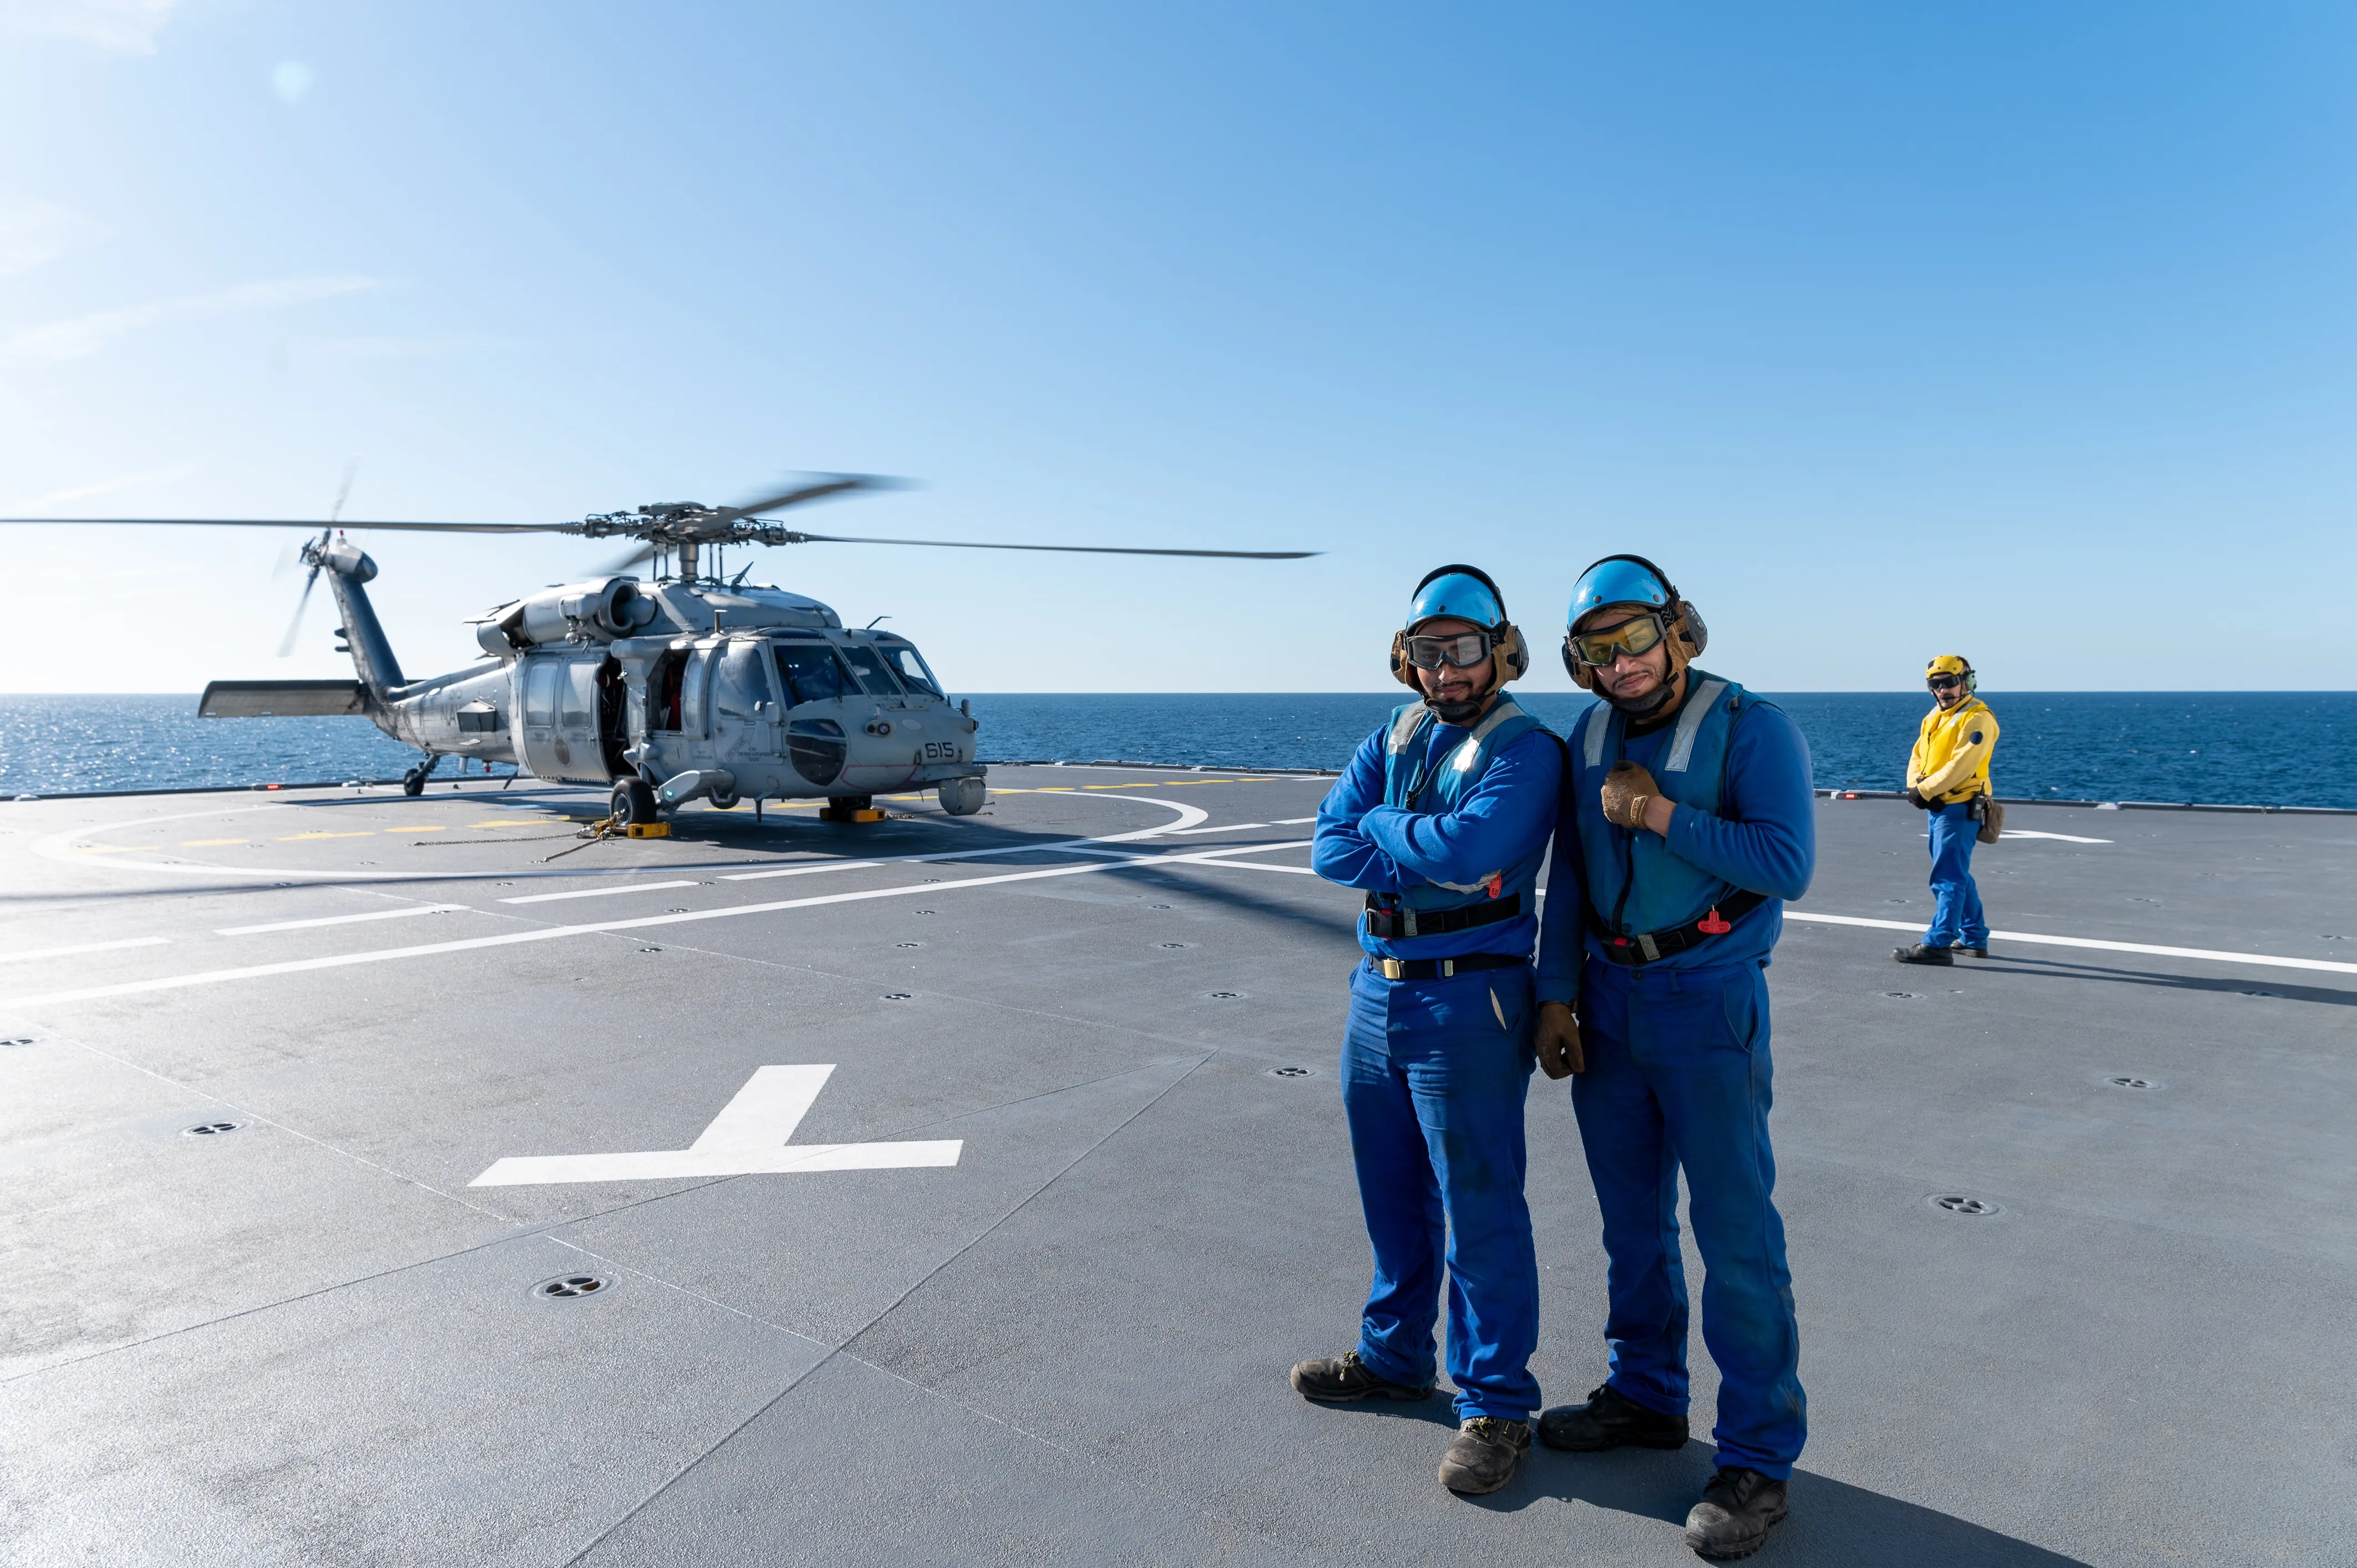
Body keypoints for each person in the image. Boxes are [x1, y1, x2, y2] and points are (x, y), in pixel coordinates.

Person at [1529, 555, 1815, 1561]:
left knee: (1735, 1231)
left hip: (1707, 998)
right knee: (1631, 1223)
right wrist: (1554, 990)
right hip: (1608, 999)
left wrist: (1656, 814)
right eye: (1599, 650)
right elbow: (1570, 869)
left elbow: (1788, 863)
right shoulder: (1588, 734)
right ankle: (1646, 1395)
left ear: (1678, 630)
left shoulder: (1753, 724)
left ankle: (1757, 1457)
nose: (1623, 663)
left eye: (1636, 639)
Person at [1294, 565, 1563, 1497]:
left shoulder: (1527, 751)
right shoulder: (1394, 731)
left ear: (1502, 650)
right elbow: (1330, 847)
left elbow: (1473, 850)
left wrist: (1386, 826)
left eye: (1462, 649)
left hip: (1470, 998)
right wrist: (1417, 836)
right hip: (1378, 989)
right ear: (1405, 658)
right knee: (1392, 1193)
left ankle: (1494, 1403)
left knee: (1480, 1204)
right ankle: (1395, 1354)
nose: (1444, 669)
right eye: (1426, 651)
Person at [1894, 656, 1999, 965]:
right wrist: (1918, 788)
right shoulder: (1935, 717)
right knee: (1956, 873)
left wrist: (1925, 791)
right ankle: (1974, 937)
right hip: (1940, 806)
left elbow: (1962, 765)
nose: (1944, 690)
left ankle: (1938, 943)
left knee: (1947, 877)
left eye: (1950, 682)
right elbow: (1918, 755)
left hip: (1959, 807)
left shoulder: (1978, 718)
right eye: (1936, 684)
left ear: (1966, 681)